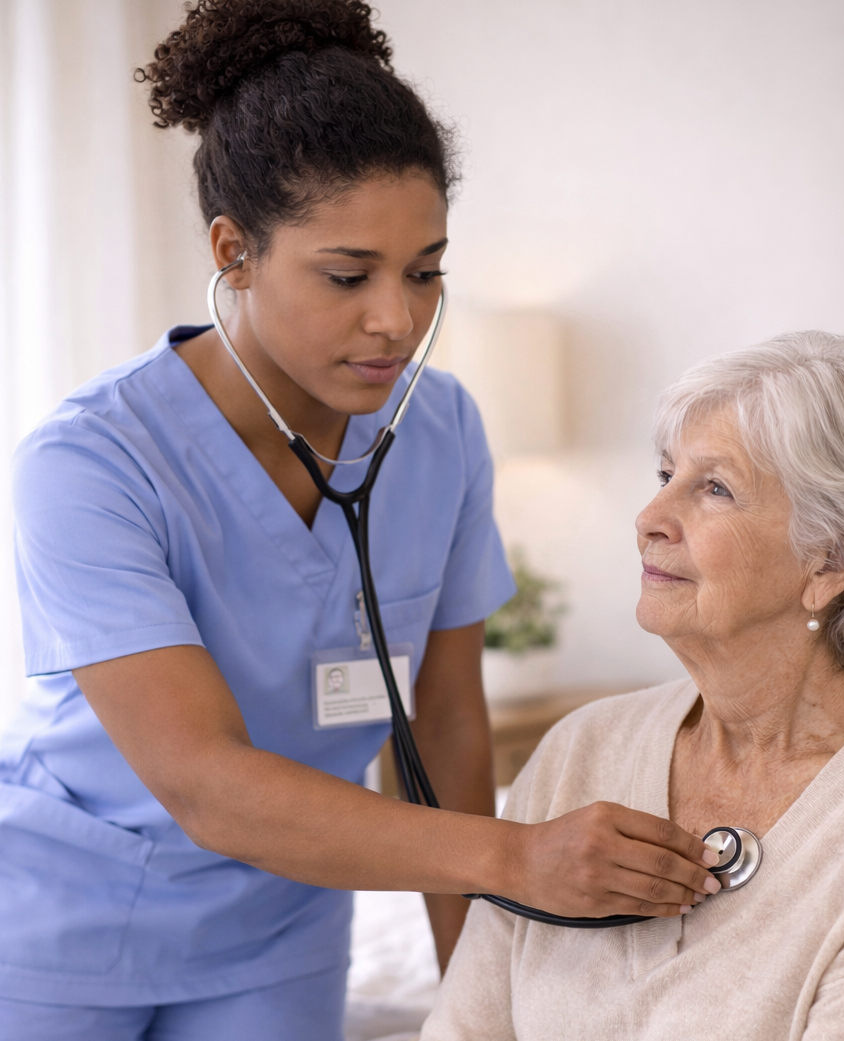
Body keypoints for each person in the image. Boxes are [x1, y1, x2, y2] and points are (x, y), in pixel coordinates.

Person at [0, 2, 718, 1038]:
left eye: (425, 270)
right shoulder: (90, 463)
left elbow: (445, 721)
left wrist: (477, 1000)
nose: (397, 317)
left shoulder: (442, 432)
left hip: (282, 923)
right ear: (232, 251)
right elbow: (206, 784)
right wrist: (521, 857)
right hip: (67, 914)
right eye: (348, 276)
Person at [421, 332, 844, 1041]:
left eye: (714, 487)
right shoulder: (579, 750)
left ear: (831, 560)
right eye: (665, 473)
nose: (649, 520)